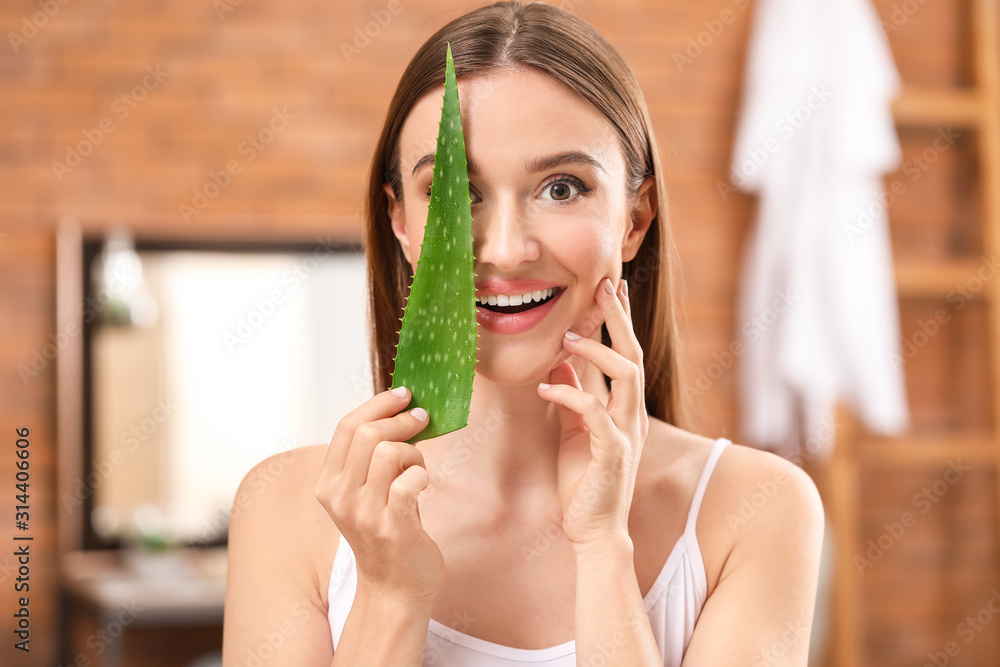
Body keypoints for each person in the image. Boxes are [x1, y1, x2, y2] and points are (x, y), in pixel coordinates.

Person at [222, 2, 824, 665]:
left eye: (561, 188)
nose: (505, 250)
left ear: (634, 218)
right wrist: (390, 593)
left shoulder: (755, 509)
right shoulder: (283, 509)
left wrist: (602, 548)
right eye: (457, 194)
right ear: (399, 221)